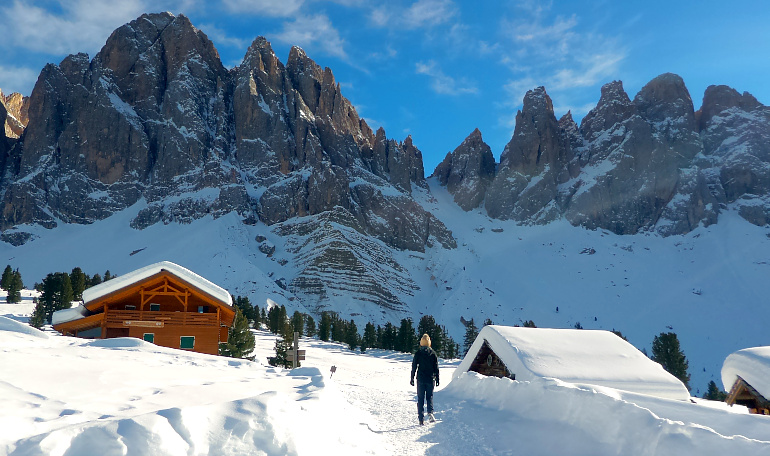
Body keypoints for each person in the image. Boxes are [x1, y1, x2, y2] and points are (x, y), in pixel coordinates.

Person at [410, 333, 439, 425]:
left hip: (421, 379)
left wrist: (412, 378)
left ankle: (421, 419)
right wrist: (437, 378)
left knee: (420, 398)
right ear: (429, 343)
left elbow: (414, 366)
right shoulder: (433, 353)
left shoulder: (418, 353)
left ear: (421, 343)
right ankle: (430, 413)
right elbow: (436, 367)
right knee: (429, 397)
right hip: (430, 379)